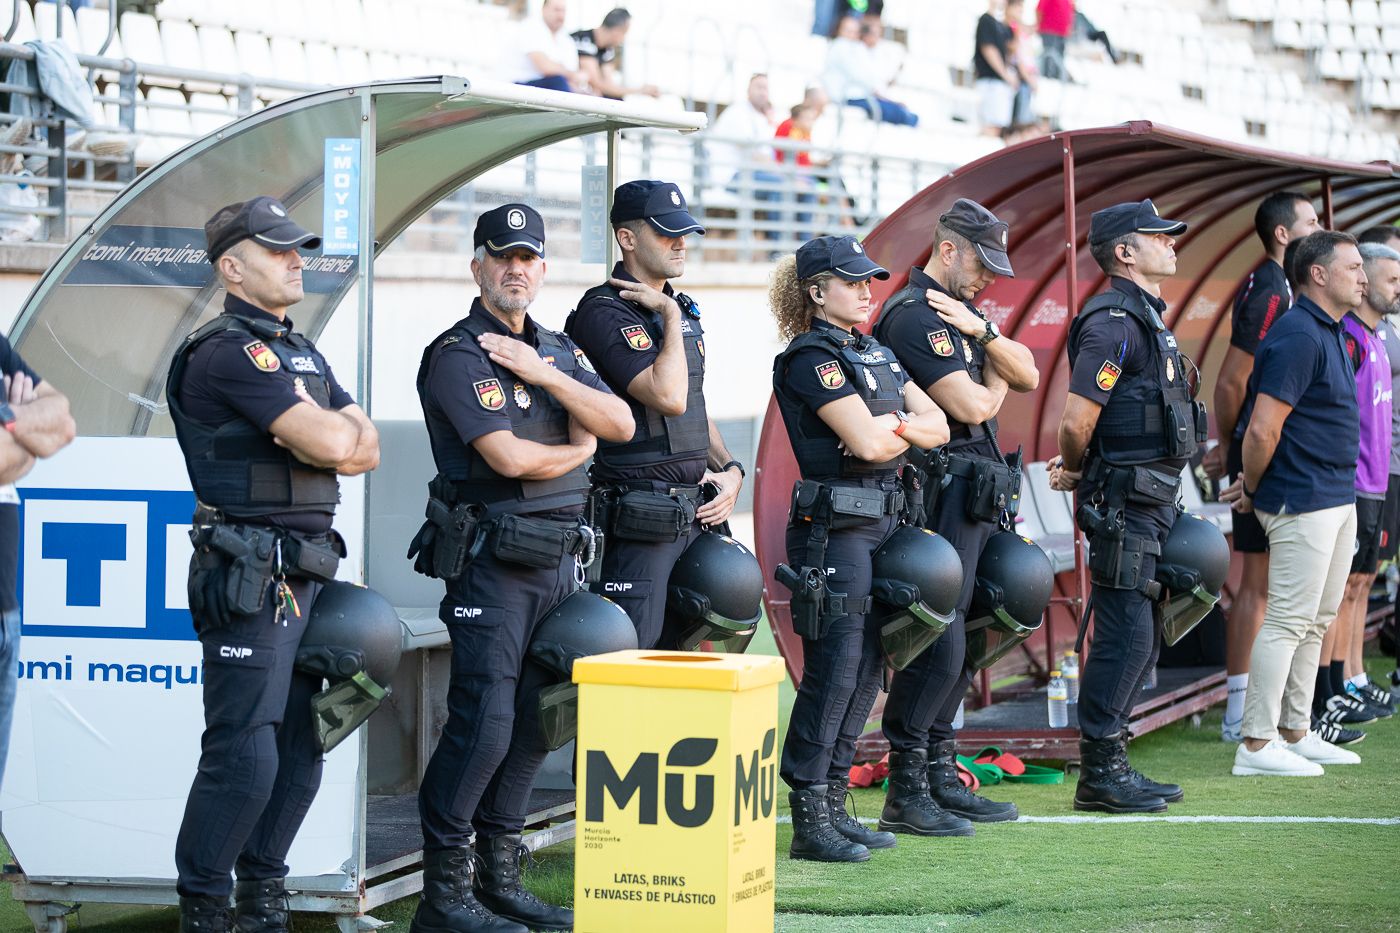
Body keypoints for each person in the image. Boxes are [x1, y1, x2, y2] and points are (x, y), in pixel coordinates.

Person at [412, 204, 632, 933]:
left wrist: (550, 377)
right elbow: (508, 457)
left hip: (558, 565)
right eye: (502, 255)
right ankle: (445, 896)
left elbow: (623, 424)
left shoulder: (555, 349)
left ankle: (499, 878)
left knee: (535, 725)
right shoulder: (458, 352)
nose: (516, 268)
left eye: (528, 257)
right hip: (492, 566)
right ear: (477, 264)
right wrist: (579, 448)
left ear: (542, 267)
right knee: (484, 722)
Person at [168, 197, 381, 931]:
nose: (298, 259)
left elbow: (365, 445)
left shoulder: (301, 348)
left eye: (299, 248)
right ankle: (205, 906)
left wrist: (331, 429)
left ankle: (262, 898)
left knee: (300, 741)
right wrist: (328, 432)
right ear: (232, 266)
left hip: (307, 571)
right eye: (279, 249)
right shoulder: (229, 350)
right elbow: (330, 445)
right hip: (251, 573)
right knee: (244, 750)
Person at [770, 234, 950, 862]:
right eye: (853, 281)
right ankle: (809, 814)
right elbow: (869, 447)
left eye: (871, 279)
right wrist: (896, 432)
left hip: (882, 524)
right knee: (836, 670)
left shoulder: (872, 351)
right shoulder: (809, 356)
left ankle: (836, 802)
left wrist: (889, 427)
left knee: (871, 666)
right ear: (817, 292)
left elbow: (939, 426)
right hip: (835, 530)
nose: (869, 290)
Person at [874, 200, 1038, 830]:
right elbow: (974, 404)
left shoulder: (967, 317)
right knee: (937, 638)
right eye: (981, 261)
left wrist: (987, 336)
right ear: (947, 249)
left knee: (974, 626)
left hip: (977, 493)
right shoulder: (918, 316)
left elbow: (1027, 370)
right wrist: (991, 359)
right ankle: (907, 785)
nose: (990, 278)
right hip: (940, 494)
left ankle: (939, 767)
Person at [1048, 199, 1203, 812]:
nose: (1172, 244)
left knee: (1140, 632)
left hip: (1150, 497)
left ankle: (1111, 764)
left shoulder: (1143, 315)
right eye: (1158, 236)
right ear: (1124, 251)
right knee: (1127, 634)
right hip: (1124, 500)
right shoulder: (1113, 319)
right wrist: (1080, 468)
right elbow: (1076, 420)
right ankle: (1101, 773)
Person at [563, 181, 743, 650]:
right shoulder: (603, 311)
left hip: (692, 512)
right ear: (627, 238)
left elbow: (694, 406)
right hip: (640, 515)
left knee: (683, 664)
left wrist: (731, 470)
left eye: (685, 232)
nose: (681, 242)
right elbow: (668, 397)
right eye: (667, 233)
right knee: (633, 661)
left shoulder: (679, 309)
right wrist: (665, 313)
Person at [1220, 230, 1369, 777]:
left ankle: (1294, 729)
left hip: (1334, 497)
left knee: (1316, 618)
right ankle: (1256, 746)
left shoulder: (1331, 331)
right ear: (1319, 275)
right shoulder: (1298, 335)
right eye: (1353, 267)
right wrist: (1255, 489)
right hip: (1300, 500)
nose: (1363, 276)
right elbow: (1261, 431)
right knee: (1287, 619)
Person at [1201, 191, 1319, 743]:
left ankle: (1271, 707)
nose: (1320, 228)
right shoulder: (1271, 288)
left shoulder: (1282, 286)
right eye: (1312, 222)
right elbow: (1231, 381)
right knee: (1258, 584)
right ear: (1281, 235)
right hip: (1256, 453)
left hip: (1272, 454)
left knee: (1277, 584)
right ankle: (1238, 711)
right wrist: (1230, 447)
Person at [0, 331, 73, 793]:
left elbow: (62, 421)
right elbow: (36, 440)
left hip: (5, 609)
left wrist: (7, 419)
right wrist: (28, 431)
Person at [1333, 243, 1400, 717]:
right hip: (1355, 481)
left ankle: (1353, 674)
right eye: (1389, 278)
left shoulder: (1376, 337)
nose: (1396, 287)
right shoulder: (1349, 337)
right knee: (1345, 586)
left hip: (1382, 476)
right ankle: (1334, 684)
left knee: (1363, 580)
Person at [821, 17, 919, 127]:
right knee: (900, 114)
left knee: (899, 111)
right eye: (848, 30)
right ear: (839, 30)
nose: (852, 34)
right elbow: (862, 76)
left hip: (860, 95)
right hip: (849, 97)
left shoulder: (854, 48)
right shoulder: (841, 46)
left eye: (854, 31)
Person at [571, 7, 659, 99]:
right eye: (624, 33)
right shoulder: (583, 40)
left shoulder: (608, 50)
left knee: (616, 99)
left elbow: (609, 85)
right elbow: (596, 83)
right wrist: (639, 91)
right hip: (568, 92)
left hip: (588, 94)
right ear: (617, 30)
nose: (623, 39)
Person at [502, 0, 581, 93]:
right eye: (556, 10)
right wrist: (571, 75)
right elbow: (546, 68)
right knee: (558, 82)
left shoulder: (567, 40)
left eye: (563, 11)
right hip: (519, 86)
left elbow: (573, 76)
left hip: (550, 87)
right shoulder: (530, 28)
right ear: (544, 10)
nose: (560, 15)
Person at [973, 0, 1017, 138]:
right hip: (990, 82)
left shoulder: (1001, 26)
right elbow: (988, 49)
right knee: (991, 127)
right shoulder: (986, 20)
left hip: (999, 85)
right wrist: (1006, 75)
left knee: (999, 126)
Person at [1036, 0, 1073, 79]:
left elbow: (1069, 12)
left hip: (1062, 33)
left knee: (1059, 58)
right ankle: (1048, 78)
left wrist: (1069, 27)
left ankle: (1058, 77)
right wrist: (1038, 24)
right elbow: (1039, 10)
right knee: (1050, 57)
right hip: (1049, 31)